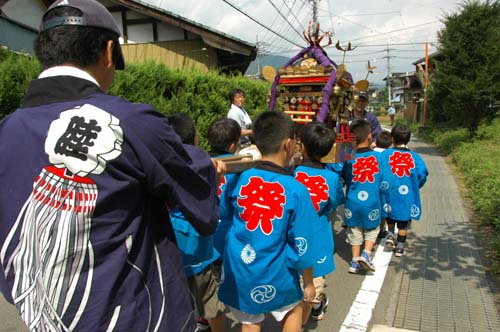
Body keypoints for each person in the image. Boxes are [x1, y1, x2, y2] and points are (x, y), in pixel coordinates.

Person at [0, 1, 225, 331]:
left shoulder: (6, 129)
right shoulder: (129, 121)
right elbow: (198, 200)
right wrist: (207, 165)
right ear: (108, 51)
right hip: (135, 318)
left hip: (45, 316)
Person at [217, 111, 318, 332]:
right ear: (288, 144)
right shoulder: (296, 189)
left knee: (250, 319)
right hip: (276, 270)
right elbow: (302, 242)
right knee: (293, 308)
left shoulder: (237, 177)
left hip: (240, 267)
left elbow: (224, 214)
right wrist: (309, 282)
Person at [167, 113, 226, 332]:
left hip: (170, 250)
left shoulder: (160, 161)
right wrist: (217, 179)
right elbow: (209, 207)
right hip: (197, 249)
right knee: (211, 303)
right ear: (194, 138)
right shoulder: (201, 161)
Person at [293, 122, 344, 322]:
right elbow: (335, 202)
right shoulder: (331, 178)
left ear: (302, 146)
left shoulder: (292, 173)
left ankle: (297, 317)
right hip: (318, 236)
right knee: (312, 282)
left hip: (292, 234)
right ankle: (308, 314)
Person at [342, 119, 388, 274]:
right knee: (372, 228)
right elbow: (384, 180)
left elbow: (344, 176)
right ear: (370, 137)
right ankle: (366, 253)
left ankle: (354, 261)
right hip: (372, 201)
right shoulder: (379, 158)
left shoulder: (348, 158)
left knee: (354, 229)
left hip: (352, 200)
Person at [383, 124, 429, 257]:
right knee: (404, 222)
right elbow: (423, 173)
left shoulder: (386, 154)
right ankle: (400, 247)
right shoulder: (414, 157)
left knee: (389, 216)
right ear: (408, 139)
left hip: (389, 193)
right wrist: (416, 185)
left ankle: (391, 235)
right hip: (407, 195)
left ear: (392, 138)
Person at [373, 130, 393, 240]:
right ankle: (381, 229)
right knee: (384, 208)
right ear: (391, 143)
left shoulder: (371, 153)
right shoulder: (389, 155)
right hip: (385, 186)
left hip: (371, 186)